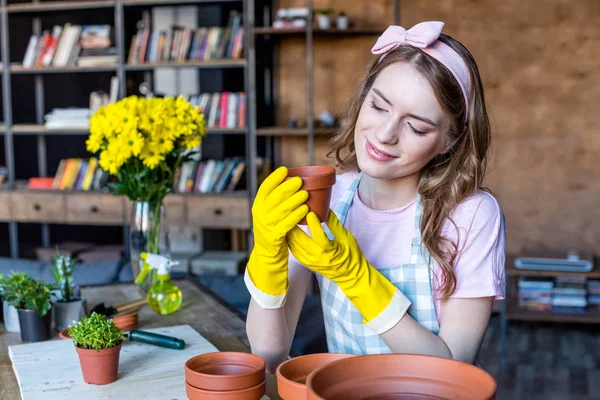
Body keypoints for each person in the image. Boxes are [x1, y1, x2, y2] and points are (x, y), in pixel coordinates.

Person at [244, 21, 506, 373]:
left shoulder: (471, 215)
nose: (385, 134)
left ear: (450, 140)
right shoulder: (329, 198)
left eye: (416, 127)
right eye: (379, 107)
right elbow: (268, 354)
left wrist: (357, 277)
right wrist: (266, 256)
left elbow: (453, 372)